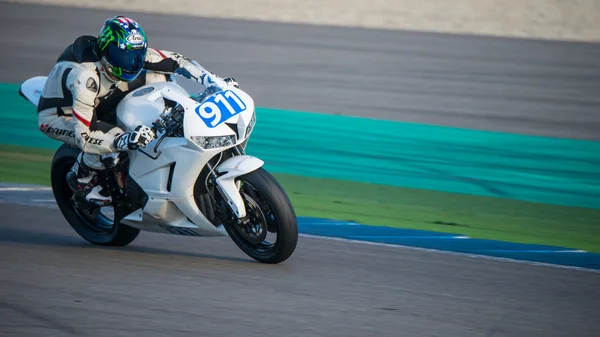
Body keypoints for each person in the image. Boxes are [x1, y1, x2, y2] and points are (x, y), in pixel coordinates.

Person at [37, 16, 238, 206]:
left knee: (158, 77)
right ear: (106, 52)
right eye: (123, 56)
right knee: (114, 137)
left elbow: (178, 61)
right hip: (62, 115)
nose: (131, 62)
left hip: (103, 95)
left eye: (136, 54)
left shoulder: (134, 56)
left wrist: (212, 81)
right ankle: (82, 176)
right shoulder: (85, 78)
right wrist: (124, 140)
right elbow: (85, 137)